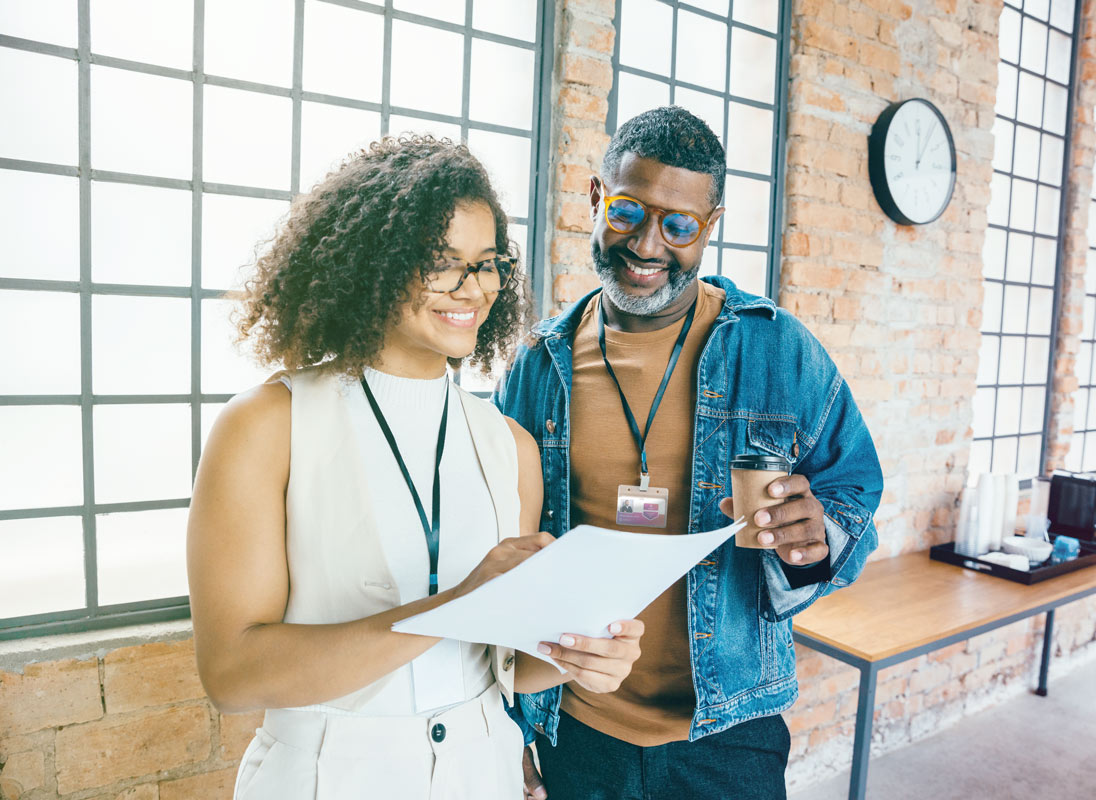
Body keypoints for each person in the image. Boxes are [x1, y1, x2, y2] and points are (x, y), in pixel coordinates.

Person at [186, 135, 644, 799]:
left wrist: (581, 660)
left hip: (483, 775)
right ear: (374, 265)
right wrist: (455, 606)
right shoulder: (266, 426)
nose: (472, 288)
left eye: (486, 264)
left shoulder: (509, 447)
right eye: (441, 261)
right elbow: (232, 675)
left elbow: (504, 662)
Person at [493, 106, 883, 799]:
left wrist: (815, 538)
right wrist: (513, 726)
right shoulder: (539, 366)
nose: (647, 245)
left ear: (710, 226)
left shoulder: (777, 350)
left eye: (678, 226)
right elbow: (501, 548)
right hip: (574, 726)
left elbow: (854, 488)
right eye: (626, 212)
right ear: (595, 199)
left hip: (728, 733)